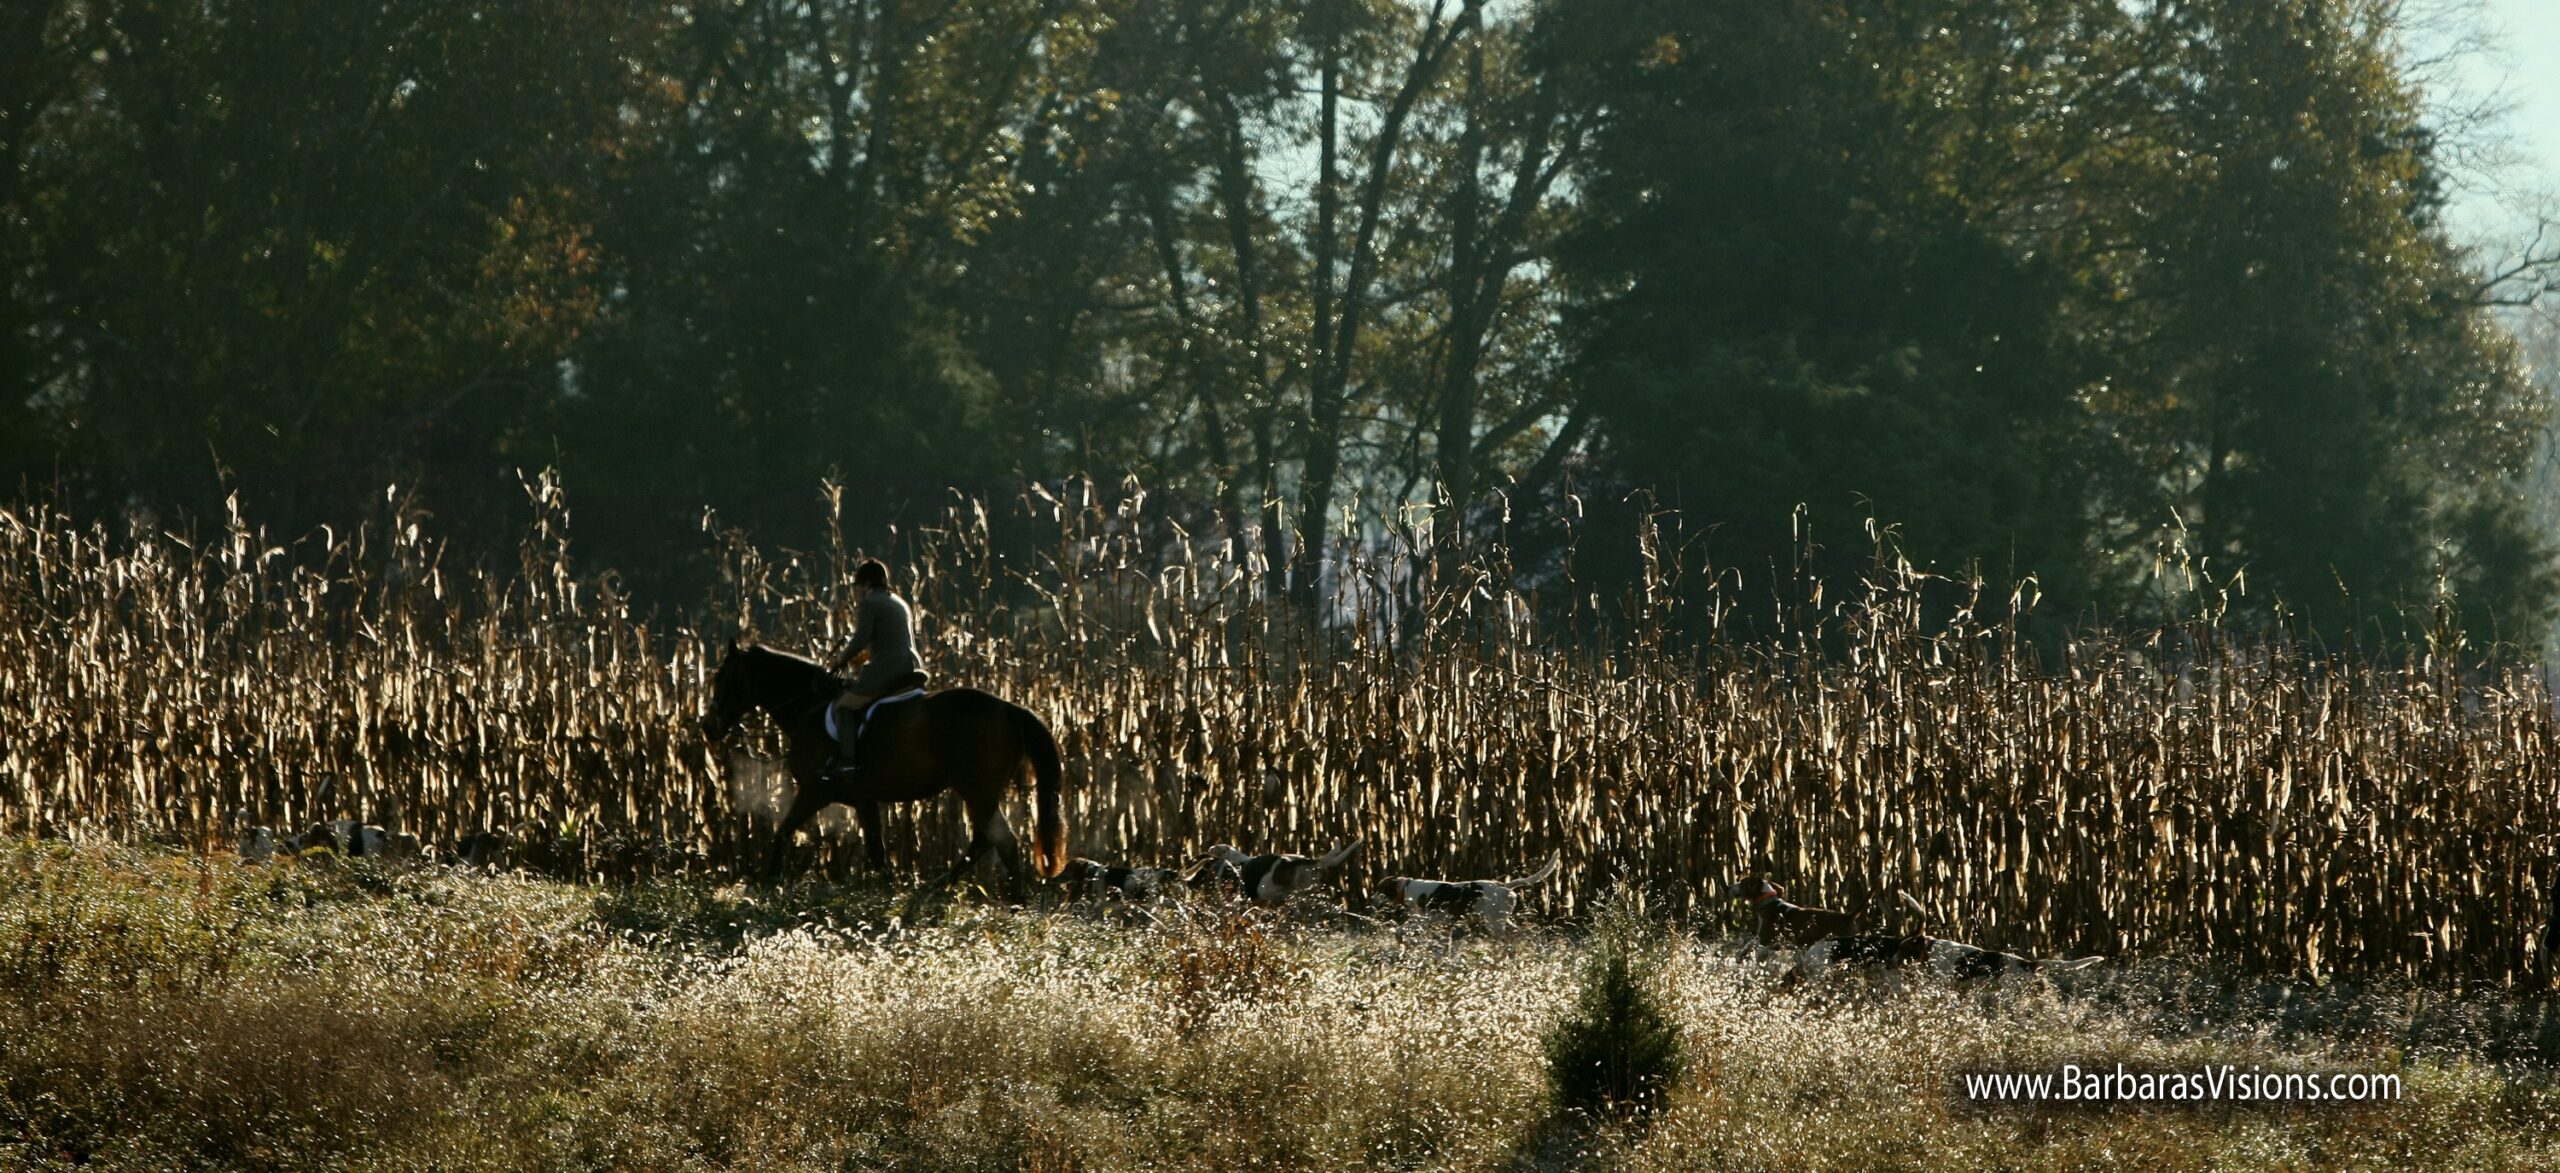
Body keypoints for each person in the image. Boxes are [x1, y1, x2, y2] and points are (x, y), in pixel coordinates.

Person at [827, 558, 925, 773]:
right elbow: (886, 640)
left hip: (887, 670)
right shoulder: (899, 602)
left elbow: (861, 639)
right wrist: (860, 659)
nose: (856, 592)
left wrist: (839, 661)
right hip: (911, 667)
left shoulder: (869, 604)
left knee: (844, 705)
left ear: (865, 585)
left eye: (857, 587)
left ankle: (847, 762)